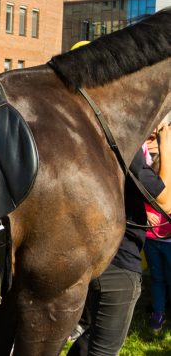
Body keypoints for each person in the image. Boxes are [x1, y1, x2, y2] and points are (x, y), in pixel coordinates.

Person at [68, 123, 171, 356]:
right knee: (104, 348)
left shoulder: (89, 133)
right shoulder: (125, 144)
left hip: (86, 253)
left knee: (94, 333)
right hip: (118, 260)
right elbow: (166, 201)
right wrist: (166, 147)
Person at [144, 115, 171, 332]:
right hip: (152, 240)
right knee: (157, 278)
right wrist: (145, 213)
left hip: (169, 241)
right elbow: (140, 197)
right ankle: (159, 311)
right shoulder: (150, 179)